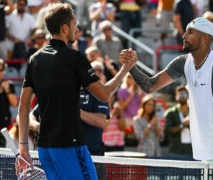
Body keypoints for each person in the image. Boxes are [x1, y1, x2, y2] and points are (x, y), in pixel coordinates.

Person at [17, 3, 136, 179]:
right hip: (70, 146)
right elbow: (104, 94)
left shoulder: (35, 59)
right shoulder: (75, 58)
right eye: (74, 25)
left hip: (44, 148)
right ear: (65, 28)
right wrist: (125, 69)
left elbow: (23, 107)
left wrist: (23, 147)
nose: (76, 29)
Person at [121, 17, 213, 162]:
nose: (183, 35)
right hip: (208, 152)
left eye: (190, 32)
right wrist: (131, 67)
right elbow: (150, 86)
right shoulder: (183, 62)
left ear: (204, 38)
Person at [80, 61, 109, 156]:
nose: (96, 72)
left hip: (92, 154)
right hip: (67, 152)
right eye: (93, 70)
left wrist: (76, 111)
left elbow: (102, 122)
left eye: (99, 70)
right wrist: (38, 126)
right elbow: (33, 115)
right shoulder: (64, 91)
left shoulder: (100, 93)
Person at [164, 85, 193, 159]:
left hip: (192, 151)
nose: (182, 96)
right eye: (180, 94)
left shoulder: (194, 112)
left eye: (184, 94)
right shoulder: (170, 113)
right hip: (176, 151)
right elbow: (167, 131)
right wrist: (181, 126)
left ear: (188, 96)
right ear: (176, 96)